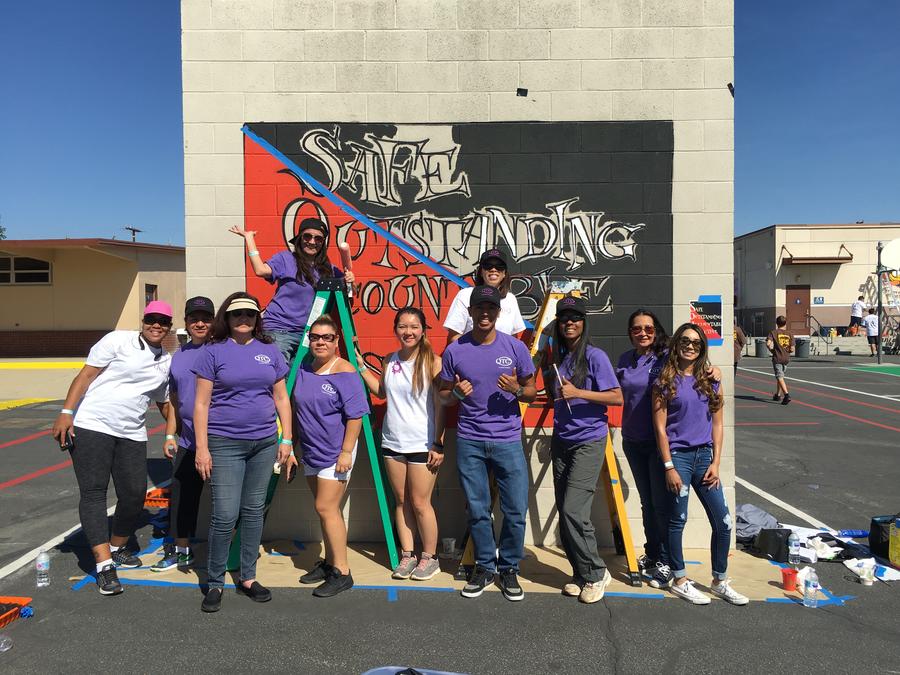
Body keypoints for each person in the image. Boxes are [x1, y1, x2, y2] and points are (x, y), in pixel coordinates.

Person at [51, 301, 174, 596]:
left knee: (133, 494)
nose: (156, 325)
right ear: (143, 320)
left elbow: (164, 403)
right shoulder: (117, 340)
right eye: (151, 319)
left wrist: (185, 432)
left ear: (169, 327)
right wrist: (67, 412)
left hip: (132, 432)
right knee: (94, 491)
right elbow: (86, 375)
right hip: (93, 424)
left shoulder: (165, 361)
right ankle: (104, 565)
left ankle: (117, 546)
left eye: (163, 321)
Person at [193, 292, 293, 613]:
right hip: (224, 443)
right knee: (224, 514)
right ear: (227, 318)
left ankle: (248, 577)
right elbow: (201, 403)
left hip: (263, 443)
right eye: (237, 315)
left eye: (249, 315)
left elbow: (281, 398)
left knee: (253, 511)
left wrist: (286, 439)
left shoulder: (269, 351)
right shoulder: (213, 351)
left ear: (256, 318)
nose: (243, 320)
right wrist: (202, 448)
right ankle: (215, 581)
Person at [438, 285, 537, 601]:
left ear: (499, 312)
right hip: (470, 441)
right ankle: (484, 566)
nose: (484, 313)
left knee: (515, 510)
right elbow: (442, 395)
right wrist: (455, 394)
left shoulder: (515, 348)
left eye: (490, 308)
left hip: (508, 440)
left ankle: (509, 568)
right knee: (478, 510)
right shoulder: (455, 351)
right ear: (470, 312)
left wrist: (517, 391)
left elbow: (532, 390)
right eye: (478, 308)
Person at [652, 323, 747, 606]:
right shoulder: (663, 382)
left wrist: (716, 462)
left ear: (702, 346)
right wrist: (669, 466)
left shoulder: (711, 379)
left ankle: (719, 580)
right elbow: (659, 429)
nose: (690, 346)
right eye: (684, 341)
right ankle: (680, 579)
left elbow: (718, 425)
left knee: (724, 523)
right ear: (676, 345)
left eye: (695, 342)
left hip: (705, 457)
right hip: (678, 458)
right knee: (677, 521)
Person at [357, 307, 446, 582]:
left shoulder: (433, 361)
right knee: (402, 501)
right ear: (395, 329)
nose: (408, 332)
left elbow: (441, 405)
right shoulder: (389, 359)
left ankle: (430, 558)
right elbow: (382, 392)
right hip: (392, 441)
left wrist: (438, 443)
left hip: (422, 442)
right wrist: (361, 367)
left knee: (421, 503)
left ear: (423, 330)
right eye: (403, 326)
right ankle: (408, 555)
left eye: (414, 326)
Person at [284, 315, 369, 598]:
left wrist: (346, 452)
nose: (320, 342)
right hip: (310, 451)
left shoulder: (345, 372)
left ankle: (342, 573)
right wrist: (293, 447)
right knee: (324, 511)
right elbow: (297, 411)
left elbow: (356, 416)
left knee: (326, 508)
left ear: (336, 341)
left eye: (327, 337)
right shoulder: (305, 368)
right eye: (316, 337)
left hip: (336, 453)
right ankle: (331, 562)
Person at [548, 295, 622, 603]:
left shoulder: (595, 356)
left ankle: (596, 573)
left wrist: (578, 392)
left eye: (575, 318)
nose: (569, 322)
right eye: (564, 318)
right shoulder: (559, 357)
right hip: (562, 438)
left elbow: (617, 397)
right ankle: (579, 572)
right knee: (566, 512)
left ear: (583, 322)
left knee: (573, 510)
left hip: (588, 441)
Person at [229, 218, 355, 363]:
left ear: (323, 243)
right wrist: (249, 238)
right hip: (279, 330)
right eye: (307, 236)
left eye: (318, 238)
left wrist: (351, 280)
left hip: (309, 335)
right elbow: (260, 270)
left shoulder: (328, 269)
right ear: (299, 238)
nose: (312, 242)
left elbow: (350, 292)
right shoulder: (286, 259)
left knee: (301, 381)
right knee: (278, 377)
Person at [152, 297, 215, 573]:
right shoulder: (179, 357)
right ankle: (182, 552)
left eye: (205, 318)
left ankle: (231, 554)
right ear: (187, 323)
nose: (200, 323)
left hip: (221, 441)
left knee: (228, 501)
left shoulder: (224, 351)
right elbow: (175, 400)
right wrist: (169, 435)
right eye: (194, 318)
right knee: (181, 498)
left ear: (214, 321)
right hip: (189, 440)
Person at [616, 309, 673, 589]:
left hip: (657, 442)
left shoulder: (665, 358)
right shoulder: (625, 360)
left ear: (656, 330)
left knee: (661, 503)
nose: (643, 333)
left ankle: (666, 559)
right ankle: (652, 554)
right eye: (637, 329)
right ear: (630, 333)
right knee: (646, 501)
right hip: (633, 439)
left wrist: (714, 369)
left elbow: (693, 368)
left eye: (648, 329)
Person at [443, 248, 525, 342]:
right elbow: (454, 337)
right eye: (488, 266)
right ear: (481, 272)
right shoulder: (465, 295)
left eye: (499, 266)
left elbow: (513, 337)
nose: (494, 269)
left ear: (504, 273)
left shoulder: (510, 299)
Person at [766, 315, 792, 405]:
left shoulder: (773, 332)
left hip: (777, 357)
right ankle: (777, 394)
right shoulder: (790, 334)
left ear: (777, 323)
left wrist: (772, 350)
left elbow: (768, 344)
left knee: (779, 377)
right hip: (786, 358)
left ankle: (787, 395)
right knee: (780, 376)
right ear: (785, 323)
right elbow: (792, 349)